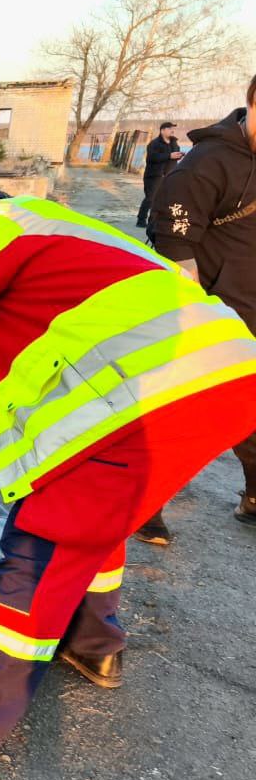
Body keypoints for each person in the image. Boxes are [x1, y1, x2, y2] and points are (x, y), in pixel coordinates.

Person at [0, 187, 256, 773]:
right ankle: (93, 645)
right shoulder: (73, 238)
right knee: (100, 518)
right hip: (223, 377)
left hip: (155, 396)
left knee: (40, 545)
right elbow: (55, 353)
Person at [143, 75, 256, 540]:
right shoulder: (209, 161)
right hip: (214, 311)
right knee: (184, 411)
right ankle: (144, 503)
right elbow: (172, 235)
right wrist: (193, 314)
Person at [136, 121, 182, 228]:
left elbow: (173, 156)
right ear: (162, 130)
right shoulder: (154, 144)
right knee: (150, 198)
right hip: (154, 175)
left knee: (165, 199)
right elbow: (152, 158)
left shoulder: (174, 143)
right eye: (169, 128)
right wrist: (169, 156)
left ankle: (154, 221)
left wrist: (179, 156)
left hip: (169, 175)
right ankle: (141, 220)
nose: (172, 130)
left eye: (172, 128)